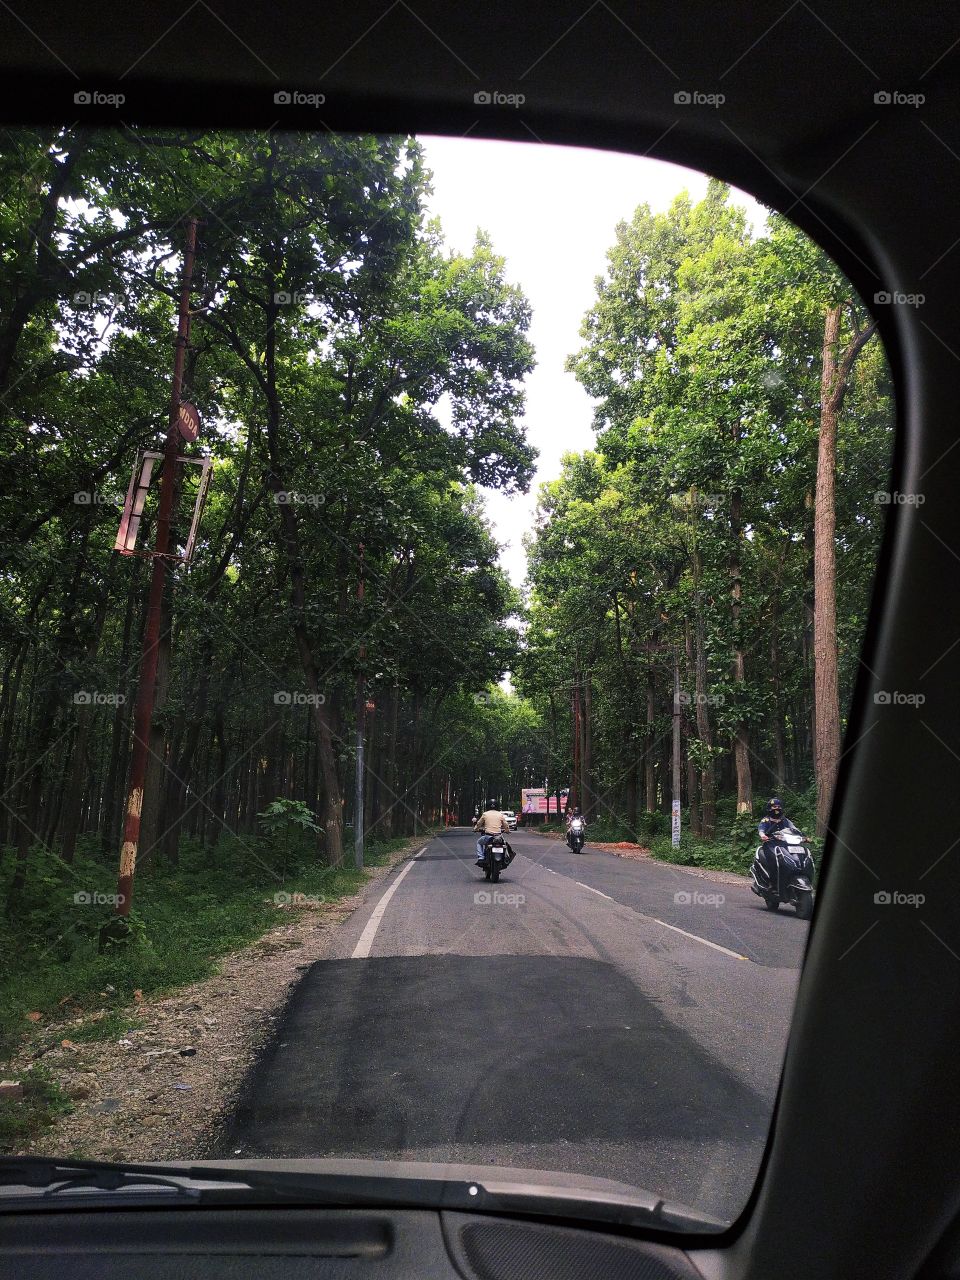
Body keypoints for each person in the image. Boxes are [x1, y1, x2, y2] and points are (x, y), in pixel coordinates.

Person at [757, 796, 798, 882]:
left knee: (796, 856)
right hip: (770, 844)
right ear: (770, 808)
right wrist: (763, 836)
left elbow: (794, 829)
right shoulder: (765, 820)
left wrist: (803, 836)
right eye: (774, 807)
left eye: (779, 807)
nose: (777, 808)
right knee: (773, 860)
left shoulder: (785, 820)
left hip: (785, 844)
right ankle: (772, 882)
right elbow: (761, 830)